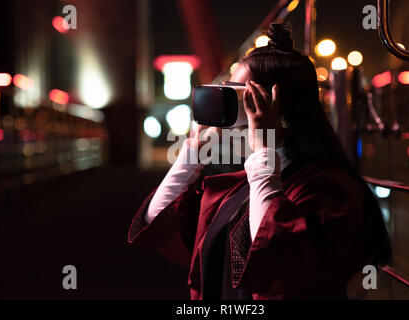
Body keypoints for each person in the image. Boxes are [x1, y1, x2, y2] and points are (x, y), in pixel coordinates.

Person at [128, 23, 391, 300]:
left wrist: (265, 146)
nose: (225, 105)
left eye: (238, 94)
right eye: (225, 89)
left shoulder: (330, 190)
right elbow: (158, 218)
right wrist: (193, 152)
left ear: (278, 106)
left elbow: (279, 255)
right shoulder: (243, 185)